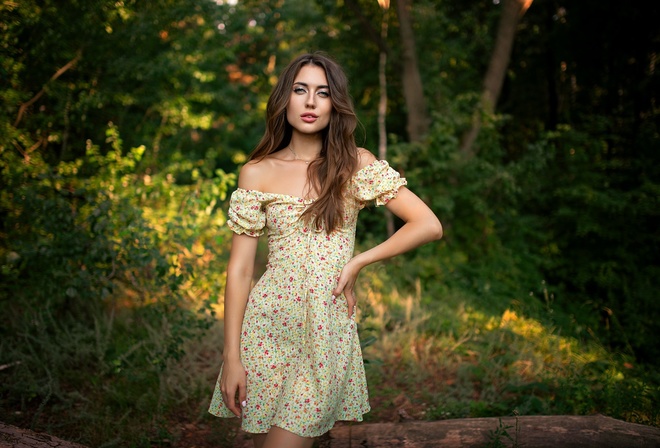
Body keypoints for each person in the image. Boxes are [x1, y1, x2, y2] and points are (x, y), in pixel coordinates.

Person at [208, 52, 442, 448]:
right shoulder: (257, 171)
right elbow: (240, 271)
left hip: (326, 329)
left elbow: (428, 225)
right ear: (285, 98)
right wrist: (232, 357)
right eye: (301, 90)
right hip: (266, 331)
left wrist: (359, 262)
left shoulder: (355, 165)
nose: (311, 102)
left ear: (335, 104)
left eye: (322, 92)